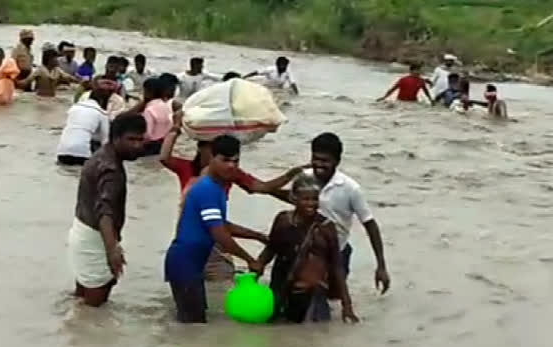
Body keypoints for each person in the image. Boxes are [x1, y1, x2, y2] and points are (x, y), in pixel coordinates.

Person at [161, 115, 305, 280]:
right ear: (203, 150)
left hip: (205, 239)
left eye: (234, 160)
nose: (230, 165)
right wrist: (175, 128)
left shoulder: (228, 176)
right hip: (199, 239)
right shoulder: (197, 178)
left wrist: (290, 175)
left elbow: (262, 187)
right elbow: (164, 158)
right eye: (223, 157)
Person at [164, 135, 266, 323]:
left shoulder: (216, 188)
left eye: (235, 161)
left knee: (194, 325)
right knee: (192, 325)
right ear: (211, 158)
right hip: (184, 262)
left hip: (191, 263)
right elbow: (219, 233)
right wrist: (250, 260)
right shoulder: (207, 189)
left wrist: (258, 236)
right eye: (225, 160)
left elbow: (223, 225)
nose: (231, 166)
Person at [67, 113, 147, 307]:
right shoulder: (111, 169)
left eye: (141, 139)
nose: (137, 145)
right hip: (96, 238)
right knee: (94, 309)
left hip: (82, 230)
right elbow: (105, 211)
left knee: (81, 299)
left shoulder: (101, 155)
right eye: (131, 139)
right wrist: (112, 249)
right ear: (116, 138)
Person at [257, 173, 358, 323]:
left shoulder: (326, 228)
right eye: (306, 199)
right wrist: (255, 270)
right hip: (282, 286)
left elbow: (336, 266)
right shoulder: (283, 221)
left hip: (313, 291)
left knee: (317, 333)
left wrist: (347, 304)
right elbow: (271, 249)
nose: (311, 204)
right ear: (294, 199)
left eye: (315, 199)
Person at [308, 133, 390, 293]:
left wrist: (381, 266)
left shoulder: (350, 188)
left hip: (337, 253)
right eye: (315, 158)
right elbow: (291, 199)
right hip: (308, 251)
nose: (318, 164)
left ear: (337, 161)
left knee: (334, 297)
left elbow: (370, 225)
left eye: (325, 161)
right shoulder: (304, 179)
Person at [56, 80, 115, 166]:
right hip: (82, 154)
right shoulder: (102, 113)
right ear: (103, 101)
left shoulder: (73, 108)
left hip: (62, 152)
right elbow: (105, 142)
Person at [139, 77, 173, 156]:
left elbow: (148, 134)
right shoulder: (167, 106)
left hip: (151, 145)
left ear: (148, 92)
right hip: (164, 144)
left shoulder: (149, 110)